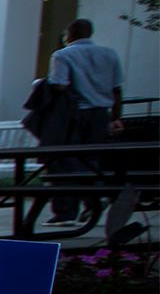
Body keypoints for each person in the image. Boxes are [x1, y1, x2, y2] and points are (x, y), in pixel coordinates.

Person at [47, 19, 142, 245]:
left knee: (65, 161)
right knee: (92, 160)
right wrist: (116, 117)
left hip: (74, 114)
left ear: (69, 33)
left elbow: (59, 85)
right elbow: (116, 89)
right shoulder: (109, 54)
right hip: (100, 114)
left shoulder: (62, 55)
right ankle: (93, 204)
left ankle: (65, 213)